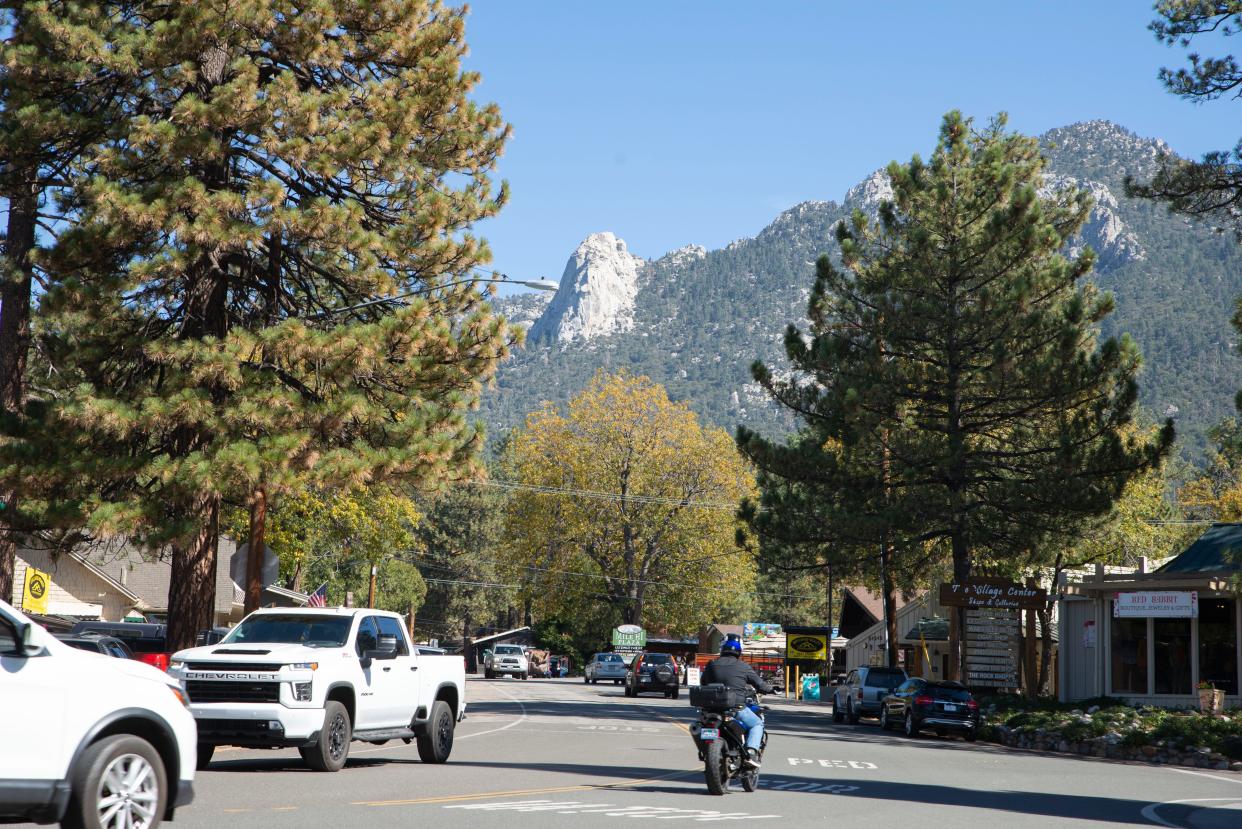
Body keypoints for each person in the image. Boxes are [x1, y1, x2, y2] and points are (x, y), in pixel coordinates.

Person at [701, 633, 773, 768]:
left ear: (722, 648)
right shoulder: (743, 666)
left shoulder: (711, 665)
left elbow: (703, 682)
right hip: (735, 708)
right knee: (757, 724)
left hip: (711, 710)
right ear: (739, 649)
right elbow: (760, 684)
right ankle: (751, 752)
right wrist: (772, 689)